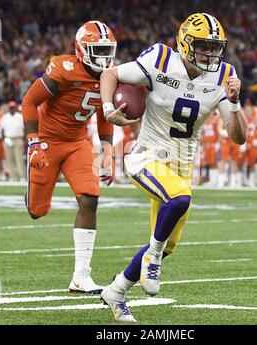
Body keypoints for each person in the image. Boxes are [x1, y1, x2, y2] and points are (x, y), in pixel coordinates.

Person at [100, 13, 247, 322]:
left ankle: (116, 290)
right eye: (204, 47)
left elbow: (239, 137)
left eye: (214, 47)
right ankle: (151, 257)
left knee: (166, 244)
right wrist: (109, 110)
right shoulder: (161, 58)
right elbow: (110, 74)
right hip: (146, 156)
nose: (211, 54)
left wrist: (234, 103)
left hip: (181, 165)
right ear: (185, 43)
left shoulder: (223, 75)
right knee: (179, 199)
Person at [22, 21, 127, 294]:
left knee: (90, 198)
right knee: (37, 211)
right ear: (81, 49)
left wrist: (107, 150)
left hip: (77, 142)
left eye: (108, 50)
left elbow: (106, 112)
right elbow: (29, 101)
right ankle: (32, 191)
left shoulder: (112, 75)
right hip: (46, 140)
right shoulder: (64, 69)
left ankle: (81, 277)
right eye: (98, 50)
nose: (104, 57)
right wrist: (33, 143)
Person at [0, 101, 26, 181]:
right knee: (9, 159)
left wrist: (23, 139)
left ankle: (22, 177)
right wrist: (4, 139)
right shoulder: (5, 117)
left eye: (13, 108)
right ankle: (12, 177)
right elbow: (2, 129)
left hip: (18, 138)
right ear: (8, 108)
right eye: (11, 108)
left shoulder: (20, 116)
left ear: (15, 108)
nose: (12, 109)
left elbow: (24, 129)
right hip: (8, 139)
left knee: (19, 158)